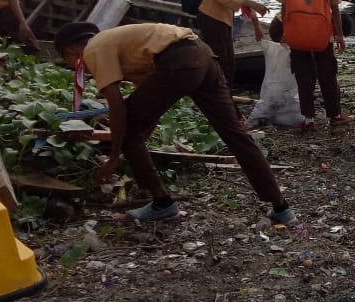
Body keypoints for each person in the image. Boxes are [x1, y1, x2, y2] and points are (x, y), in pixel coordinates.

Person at [53, 22, 293, 223]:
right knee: (236, 135)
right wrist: (137, 138)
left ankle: (162, 203)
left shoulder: (94, 48)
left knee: (125, 128)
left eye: (69, 60)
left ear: (71, 53)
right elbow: (151, 104)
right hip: (203, 55)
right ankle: (281, 207)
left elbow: (117, 106)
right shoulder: (126, 43)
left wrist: (115, 156)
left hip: (180, 61)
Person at [275, 0, 353, 131]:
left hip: (297, 33)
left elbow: (283, 4)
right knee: (327, 74)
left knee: (303, 75)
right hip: (321, 34)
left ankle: (307, 119)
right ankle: (335, 115)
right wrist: (338, 34)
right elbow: (335, 7)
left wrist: (285, 29)